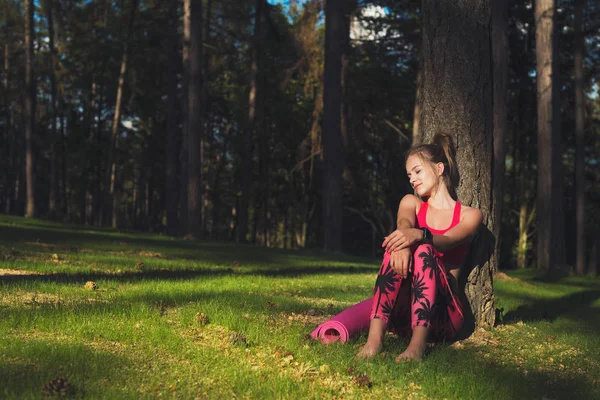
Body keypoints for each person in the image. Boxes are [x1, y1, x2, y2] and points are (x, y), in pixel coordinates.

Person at [356, 132, 482, 361]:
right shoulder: (411, 202)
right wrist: (403, 243)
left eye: (417, 171)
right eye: (409, 175)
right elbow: (403, 223)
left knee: (425, 250)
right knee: (395, 246)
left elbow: (449, 239)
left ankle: (417, 347)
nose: (412, 179)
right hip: (403, 318)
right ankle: (374, 342)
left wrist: (419, 235)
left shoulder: (470, 215)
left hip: (445, 317)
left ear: (439, 169)